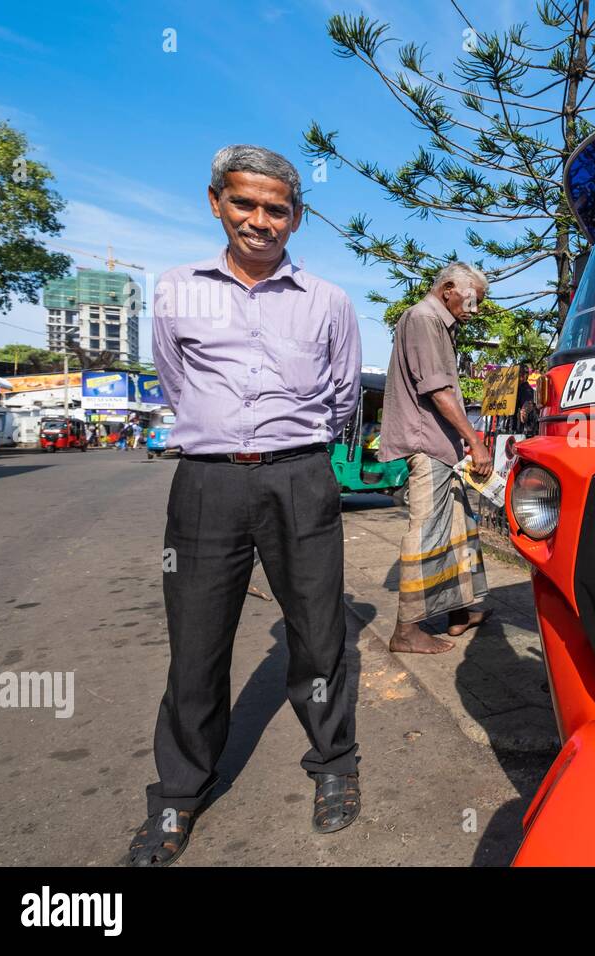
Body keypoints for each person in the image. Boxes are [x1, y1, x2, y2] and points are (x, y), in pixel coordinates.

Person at [128, 144, 363, 867]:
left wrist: (295, 454)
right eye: (245, 203)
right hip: (206, 484)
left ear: (296, 218)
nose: (259, 220)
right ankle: (179, 794)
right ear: (216, 203)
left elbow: (344, 398)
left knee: (320, 635)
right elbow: (174, 382)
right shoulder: (174, 291)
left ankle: (334, 766)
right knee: (196, 644)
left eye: (277, 208)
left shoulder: (329, 302)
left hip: (301, 479)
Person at [376, 263, 494, 654]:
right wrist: (475, 442)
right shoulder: (424, 319)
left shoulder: (439, 322)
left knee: (458, 525)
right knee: (426, 530)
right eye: (472, 299)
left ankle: (460, 611)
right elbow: (438, 391)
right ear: (447, 289)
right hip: (427, 444)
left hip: (441, 446)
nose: (474, 309)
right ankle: (406, 630)